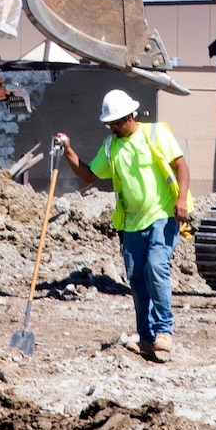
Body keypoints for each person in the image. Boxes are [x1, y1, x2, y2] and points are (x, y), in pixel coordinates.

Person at [57, 89, 190, 363]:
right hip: (130, 224)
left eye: (117, 122)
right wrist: (68, 151)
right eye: (110, 123)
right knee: (138, 280)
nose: (113, 127)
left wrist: (181, 199)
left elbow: (181, 167)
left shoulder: (155, 134)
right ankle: (146, 337)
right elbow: (88, 175)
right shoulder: (110, 146)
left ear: (131, 115)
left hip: (163, 215)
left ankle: (164, 332)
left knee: (156, 266)